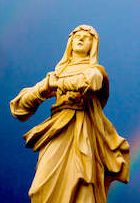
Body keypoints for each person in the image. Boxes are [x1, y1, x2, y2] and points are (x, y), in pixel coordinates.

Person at [10, 25, 129, 203]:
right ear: (70, 42)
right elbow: (18, 108)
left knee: (80, 180)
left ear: (93, 45)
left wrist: (57, 84)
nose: (80, 39)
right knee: (39, 188)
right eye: (76, 36)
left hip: (82, 133)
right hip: (57, 130)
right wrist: (43, 89)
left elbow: (92, 82)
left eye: (86, 37)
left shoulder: (96, 70)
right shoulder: (56, 74)